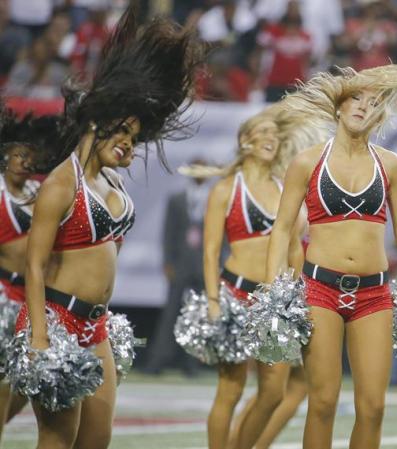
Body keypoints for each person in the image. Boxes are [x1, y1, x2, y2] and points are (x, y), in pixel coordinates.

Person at [16, 6, 205, 449]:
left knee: (96, 439)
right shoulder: (63, 184)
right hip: (57, 321)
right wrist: (40, 337)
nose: (127, 144)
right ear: (95, 123)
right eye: (121, 132)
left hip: (95, 325)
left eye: (134, 138)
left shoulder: (113, 179)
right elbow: (35, 264)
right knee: (59, 438)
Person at [266, 29, 397, 449]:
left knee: (373, 407)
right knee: (322, 402)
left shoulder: (390, 165)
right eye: (357, 99)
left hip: (375, 294)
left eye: (374, 104)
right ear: (339, 107)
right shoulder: (307, 161)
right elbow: (282, 228)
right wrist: (274, 290)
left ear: (380, 118)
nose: (364, 108)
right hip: (319, 290)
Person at [200, 102, 317, 449]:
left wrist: (296, 296)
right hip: (235, 295)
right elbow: (209, 250)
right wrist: (212, 300)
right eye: (263, 132)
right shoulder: (227, 189)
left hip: (274, 303)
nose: (272, 139)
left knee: (273, 392)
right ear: (245, 141)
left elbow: (295, 247)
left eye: (275, 135)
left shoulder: (285, 189)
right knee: (231, 389)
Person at [0, 110, 61, 444]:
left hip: (34, 297)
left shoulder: (40, 192)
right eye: (19, 155)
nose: (25, 162)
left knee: (25, 382)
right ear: (5, 156)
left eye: (30, 156)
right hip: (4, 294)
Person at [143, 159, 209, 376]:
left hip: (203, 264)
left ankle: (191, 364)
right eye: (196, 168)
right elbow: (168, 232)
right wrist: (167, 262)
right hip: (180, 263)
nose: (200, 173)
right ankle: (157, 361)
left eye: (204, 169)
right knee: (170, 313)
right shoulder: (177, 199)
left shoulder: (214, 199)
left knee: (198, 314)